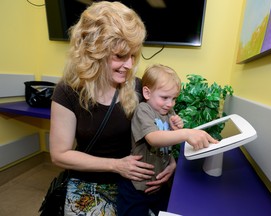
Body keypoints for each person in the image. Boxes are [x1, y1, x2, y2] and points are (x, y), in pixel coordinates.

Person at [49, 2, 176, 215]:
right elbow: (59, 155)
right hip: (89, 184)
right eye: (119, 56)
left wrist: (169, 162)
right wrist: (117, 165)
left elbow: (156, 131)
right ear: (94, 52)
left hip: (134, 183)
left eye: (133, 55)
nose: (128, 65)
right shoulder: (67, 92)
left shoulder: (137, 87)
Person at [117, 64, 219, 216]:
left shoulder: (168, 111)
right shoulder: (143, 110)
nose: (170, 104)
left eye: (174, 99)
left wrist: (176, 129)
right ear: (147, 93)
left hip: (158, 182)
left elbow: (170, 141)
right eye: (165, 97)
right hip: (136, 185)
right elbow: (153, 138)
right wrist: (184, 133)